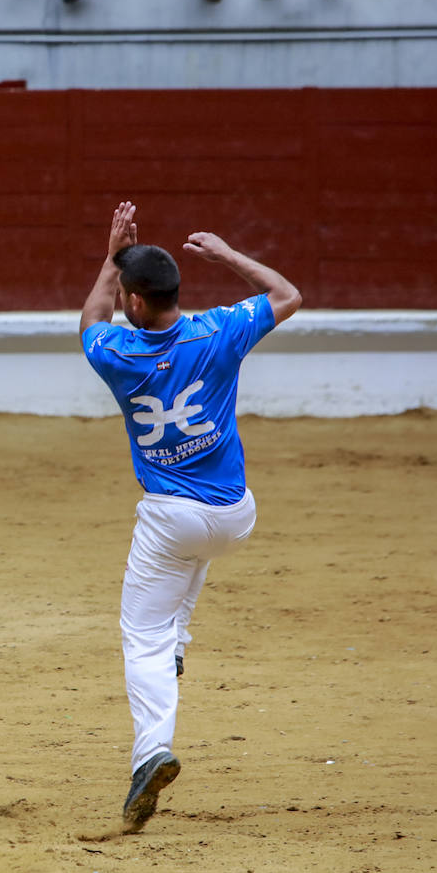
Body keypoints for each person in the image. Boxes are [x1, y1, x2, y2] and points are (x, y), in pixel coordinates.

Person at [78, 201, 302, 833]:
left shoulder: (116, 353)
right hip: (235, 514)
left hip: (171, 519)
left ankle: (151, 751)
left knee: (140, 636)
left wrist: (108, 256)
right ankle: (177, 641)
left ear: (136, 304)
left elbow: (90, 318)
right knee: (194, 557)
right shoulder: (220, 330)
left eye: (125, 293)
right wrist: (230, 256)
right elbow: (287, 293)